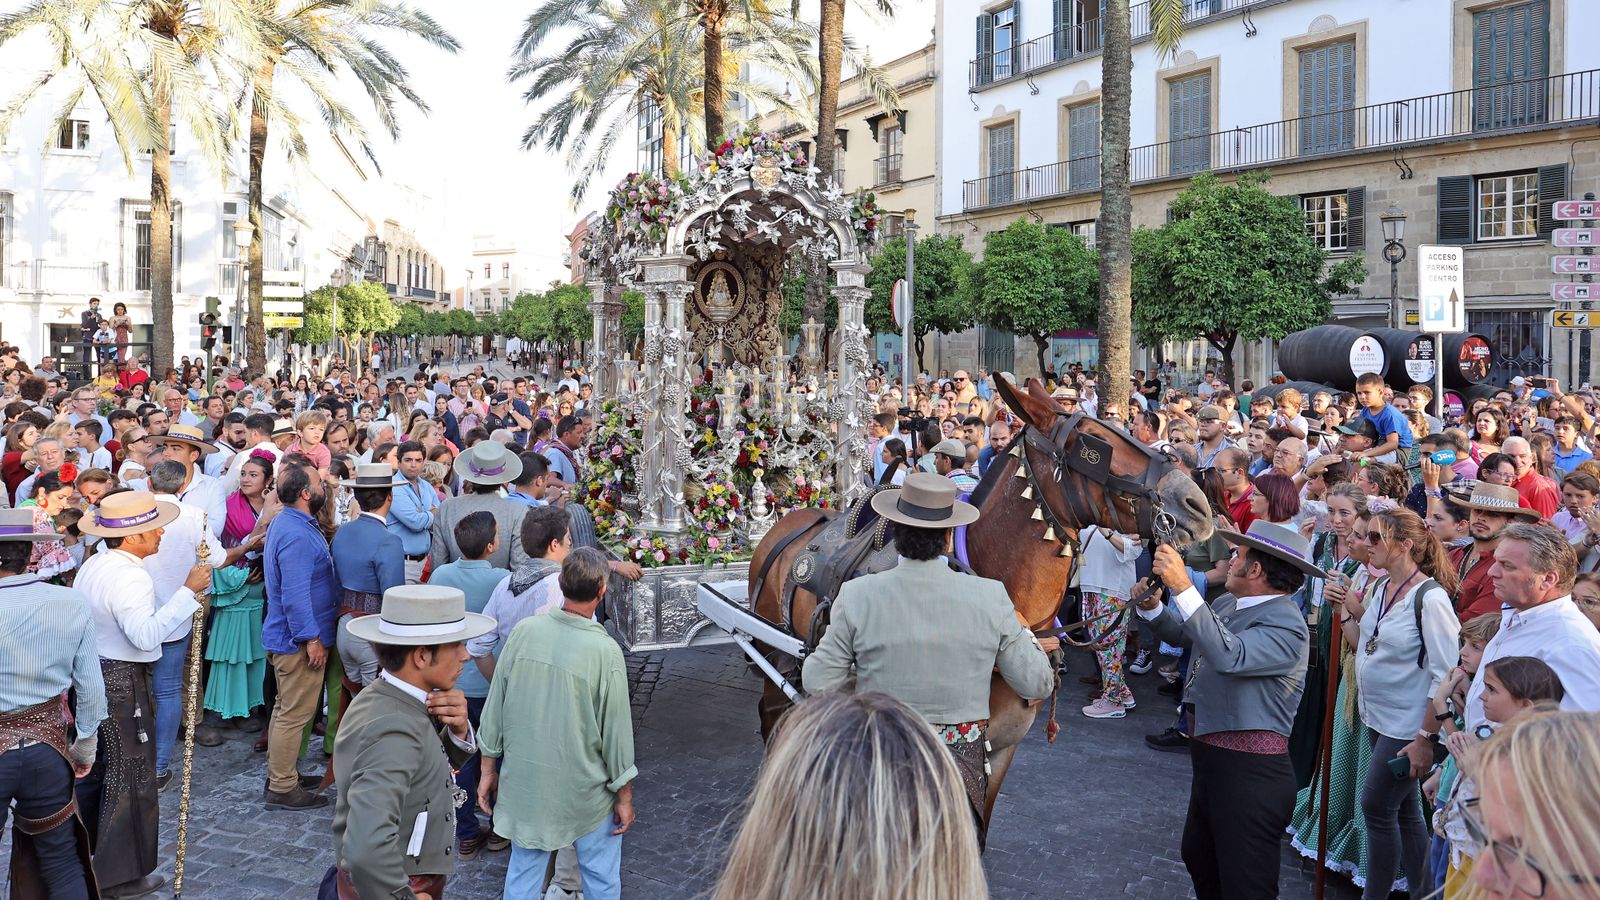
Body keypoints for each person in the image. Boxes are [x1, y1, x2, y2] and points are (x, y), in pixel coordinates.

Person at [802, 473, 1055, 844]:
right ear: (950, 538)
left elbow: (817, 681)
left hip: (882, 762)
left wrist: (861, 674)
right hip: (958, 777)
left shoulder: (857, 595)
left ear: (897, 537)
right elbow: (1037, 683)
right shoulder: (990, 596)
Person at [1137, 520, 1321, 900]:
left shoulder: (1288, 625)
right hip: (1214, 761)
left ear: (1255, 570)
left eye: (1238, 555)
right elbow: (1185, 635)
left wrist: (1183, 587)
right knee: (1200, 856)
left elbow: (1228, 655)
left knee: (1245, 885)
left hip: (1251, 774)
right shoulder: (1226, 603)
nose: (1231, 559)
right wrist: (1154, 608)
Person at [712, 692, 986, 900]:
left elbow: (819, 674)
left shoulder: (860, 612)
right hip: (942, 748)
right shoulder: (991, 614)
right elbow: (1029, 680)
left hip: (864, 734)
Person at [75, 491, 211, 899]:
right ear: (132, 537)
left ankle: (100, 866)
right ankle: (118, 876)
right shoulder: (129, 575)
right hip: (121, 681)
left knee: (106, 776)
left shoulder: (96, 563)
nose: (161, 534)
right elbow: (147, 636)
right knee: (128, 779)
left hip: (98, 675)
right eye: (154, 529)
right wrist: (188, 592)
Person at [479, 548, 636, 900]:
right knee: (600, 876)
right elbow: (616, 735)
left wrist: (488, 769)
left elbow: (495, 708)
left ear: (562, 585)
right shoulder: (604, 650)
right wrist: (624, 795)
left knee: (523, 874)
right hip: (586, 792)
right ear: (601, 591)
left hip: (527, 787)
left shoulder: (524, 632)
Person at [324, 584, 493, 900]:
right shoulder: (394, 727)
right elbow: (364, 848)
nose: (466, 654)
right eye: (456, 644)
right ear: (421, 656)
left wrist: (457, 734)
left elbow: (422, 773)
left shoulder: (392, 698)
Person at [1331, 508, 1461, 900]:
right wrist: (1342, 612)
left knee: (1376, 808)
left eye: (1375, 537)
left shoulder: (1430, 598)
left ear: (1404, 545)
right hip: (1379, 717)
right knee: (1403, 813)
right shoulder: (1382, 586)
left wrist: (1425, 738)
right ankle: (1425, 892)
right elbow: (1362, 643)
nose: (1365, 544)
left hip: (1408, 726)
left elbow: (1446, 675)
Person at [0, 507, 106, 900]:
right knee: (61, 861)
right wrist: (84, 749)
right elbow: (92, 691)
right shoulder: (70, 602)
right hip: (47, 748)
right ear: (29, 553)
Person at [1457, 523, 1600, 735]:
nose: (1491, 572)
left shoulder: (1572, 643)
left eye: (1507, 565)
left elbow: (1582, 736)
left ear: (1548, 579)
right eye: (1496, 561)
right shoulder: (1517, 613)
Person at [428, 511, 513, 860]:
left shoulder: (440, 575)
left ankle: (464, 832)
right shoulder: (504, 579)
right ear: (492, 545)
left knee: (458, 761)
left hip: (452, 683)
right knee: (498, 758)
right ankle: (497, 828)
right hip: (490, 682)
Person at [144, 460, 231, 785]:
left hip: (138, 610)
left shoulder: (140, 508)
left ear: (151, 484)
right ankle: (158, 767)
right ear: (182, 487)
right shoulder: (193, 515)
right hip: (176, 613)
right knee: (167, 691)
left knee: (138, 690)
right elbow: (217, 558)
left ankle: (137, 762)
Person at [260, 457, 339, 811]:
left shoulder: (291, 522)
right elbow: (294, 594)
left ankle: (284, 772)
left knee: (285, 710)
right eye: (319, 484)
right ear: (306, 493)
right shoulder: (294, 532)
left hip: (288, 637)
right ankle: (281, 785)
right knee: (294, 713)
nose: (324, 488)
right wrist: (311, 638)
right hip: (296, 642)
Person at [203, 449, 275, 731]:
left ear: (267, 480)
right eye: (243, 473)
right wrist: (265, 518)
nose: (245, 479)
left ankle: (251, 706)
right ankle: (227, 709)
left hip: (261, 584)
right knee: (230, 650)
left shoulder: (276, 505)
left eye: (253, 475)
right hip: (234, 580)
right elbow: (236, 544)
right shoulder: (230, 505)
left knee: (254, 651)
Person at [331, 463, 406, 688]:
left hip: (344, 626)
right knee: (373, 703)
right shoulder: (388, 540)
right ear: (389, 497)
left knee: (356, 699)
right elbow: (394, 598)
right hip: (370, 630)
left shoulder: (343, 531)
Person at [1450, 482, 1542, 621]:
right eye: (1476, 510)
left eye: (1492, 514)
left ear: (1510, 522)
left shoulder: (1505, 568)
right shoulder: (1454, 554)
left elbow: (1474, 623)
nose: (1481, 517)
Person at [433, 441, 530, 571]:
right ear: (503, 476)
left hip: (454, 588)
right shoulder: (517, 510)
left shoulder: (448, 507)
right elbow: (519, 567)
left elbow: (438, 563)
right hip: (500, 588)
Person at [150, 423, 226, 537]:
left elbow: (215, 528)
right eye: (165, 447)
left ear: (193, 456)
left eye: (175, 448)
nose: (166, 453)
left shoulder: (212, 486)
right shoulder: (149, 483)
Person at [388, 441, 438, 583]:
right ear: (399, 462)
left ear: (424, 462)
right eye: (408, 460)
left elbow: (441, 518)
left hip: (426, 562)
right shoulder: (394, 487)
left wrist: (424, 515)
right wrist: (430, 513)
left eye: (418, 460)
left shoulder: (426, 486)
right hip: (403, 563)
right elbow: (415, 522)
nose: (413, 465)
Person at [1501, 436, 1561, 519]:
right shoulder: (1503, 480)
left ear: (1532, 458)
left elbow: (1545, 527)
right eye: (1511, 456)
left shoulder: (1538, 487)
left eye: (1522, 456)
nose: (1517, 462)